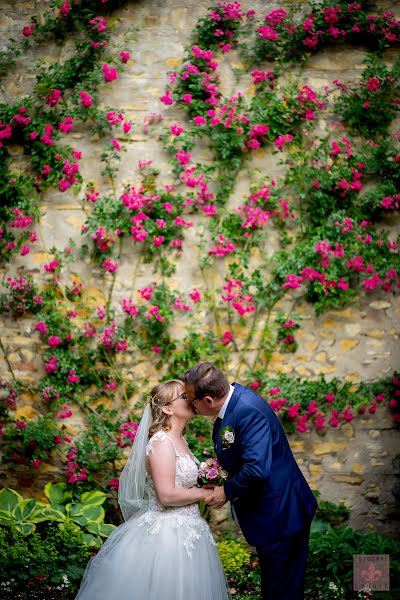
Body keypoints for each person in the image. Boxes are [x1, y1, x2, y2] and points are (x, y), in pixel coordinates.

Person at [75, 379, 230, 600]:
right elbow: (166, 495)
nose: (190, 399)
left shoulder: (181, 441)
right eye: (183, 396)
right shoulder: (161, 442)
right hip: (167, 536)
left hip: (190, 530)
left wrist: (205, 483)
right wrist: (204, 494)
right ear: (167, 408)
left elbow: (180, 484)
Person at [183, 362, 318, 600]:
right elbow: (240, 457)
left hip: (281, 514)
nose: (189, 405)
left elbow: (257, 469)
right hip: (274, 514)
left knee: (282, 591)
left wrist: (225, 492)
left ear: (208, 400)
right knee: (276, 588)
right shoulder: (232, 406)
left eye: (190, 399)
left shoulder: (247, 410)